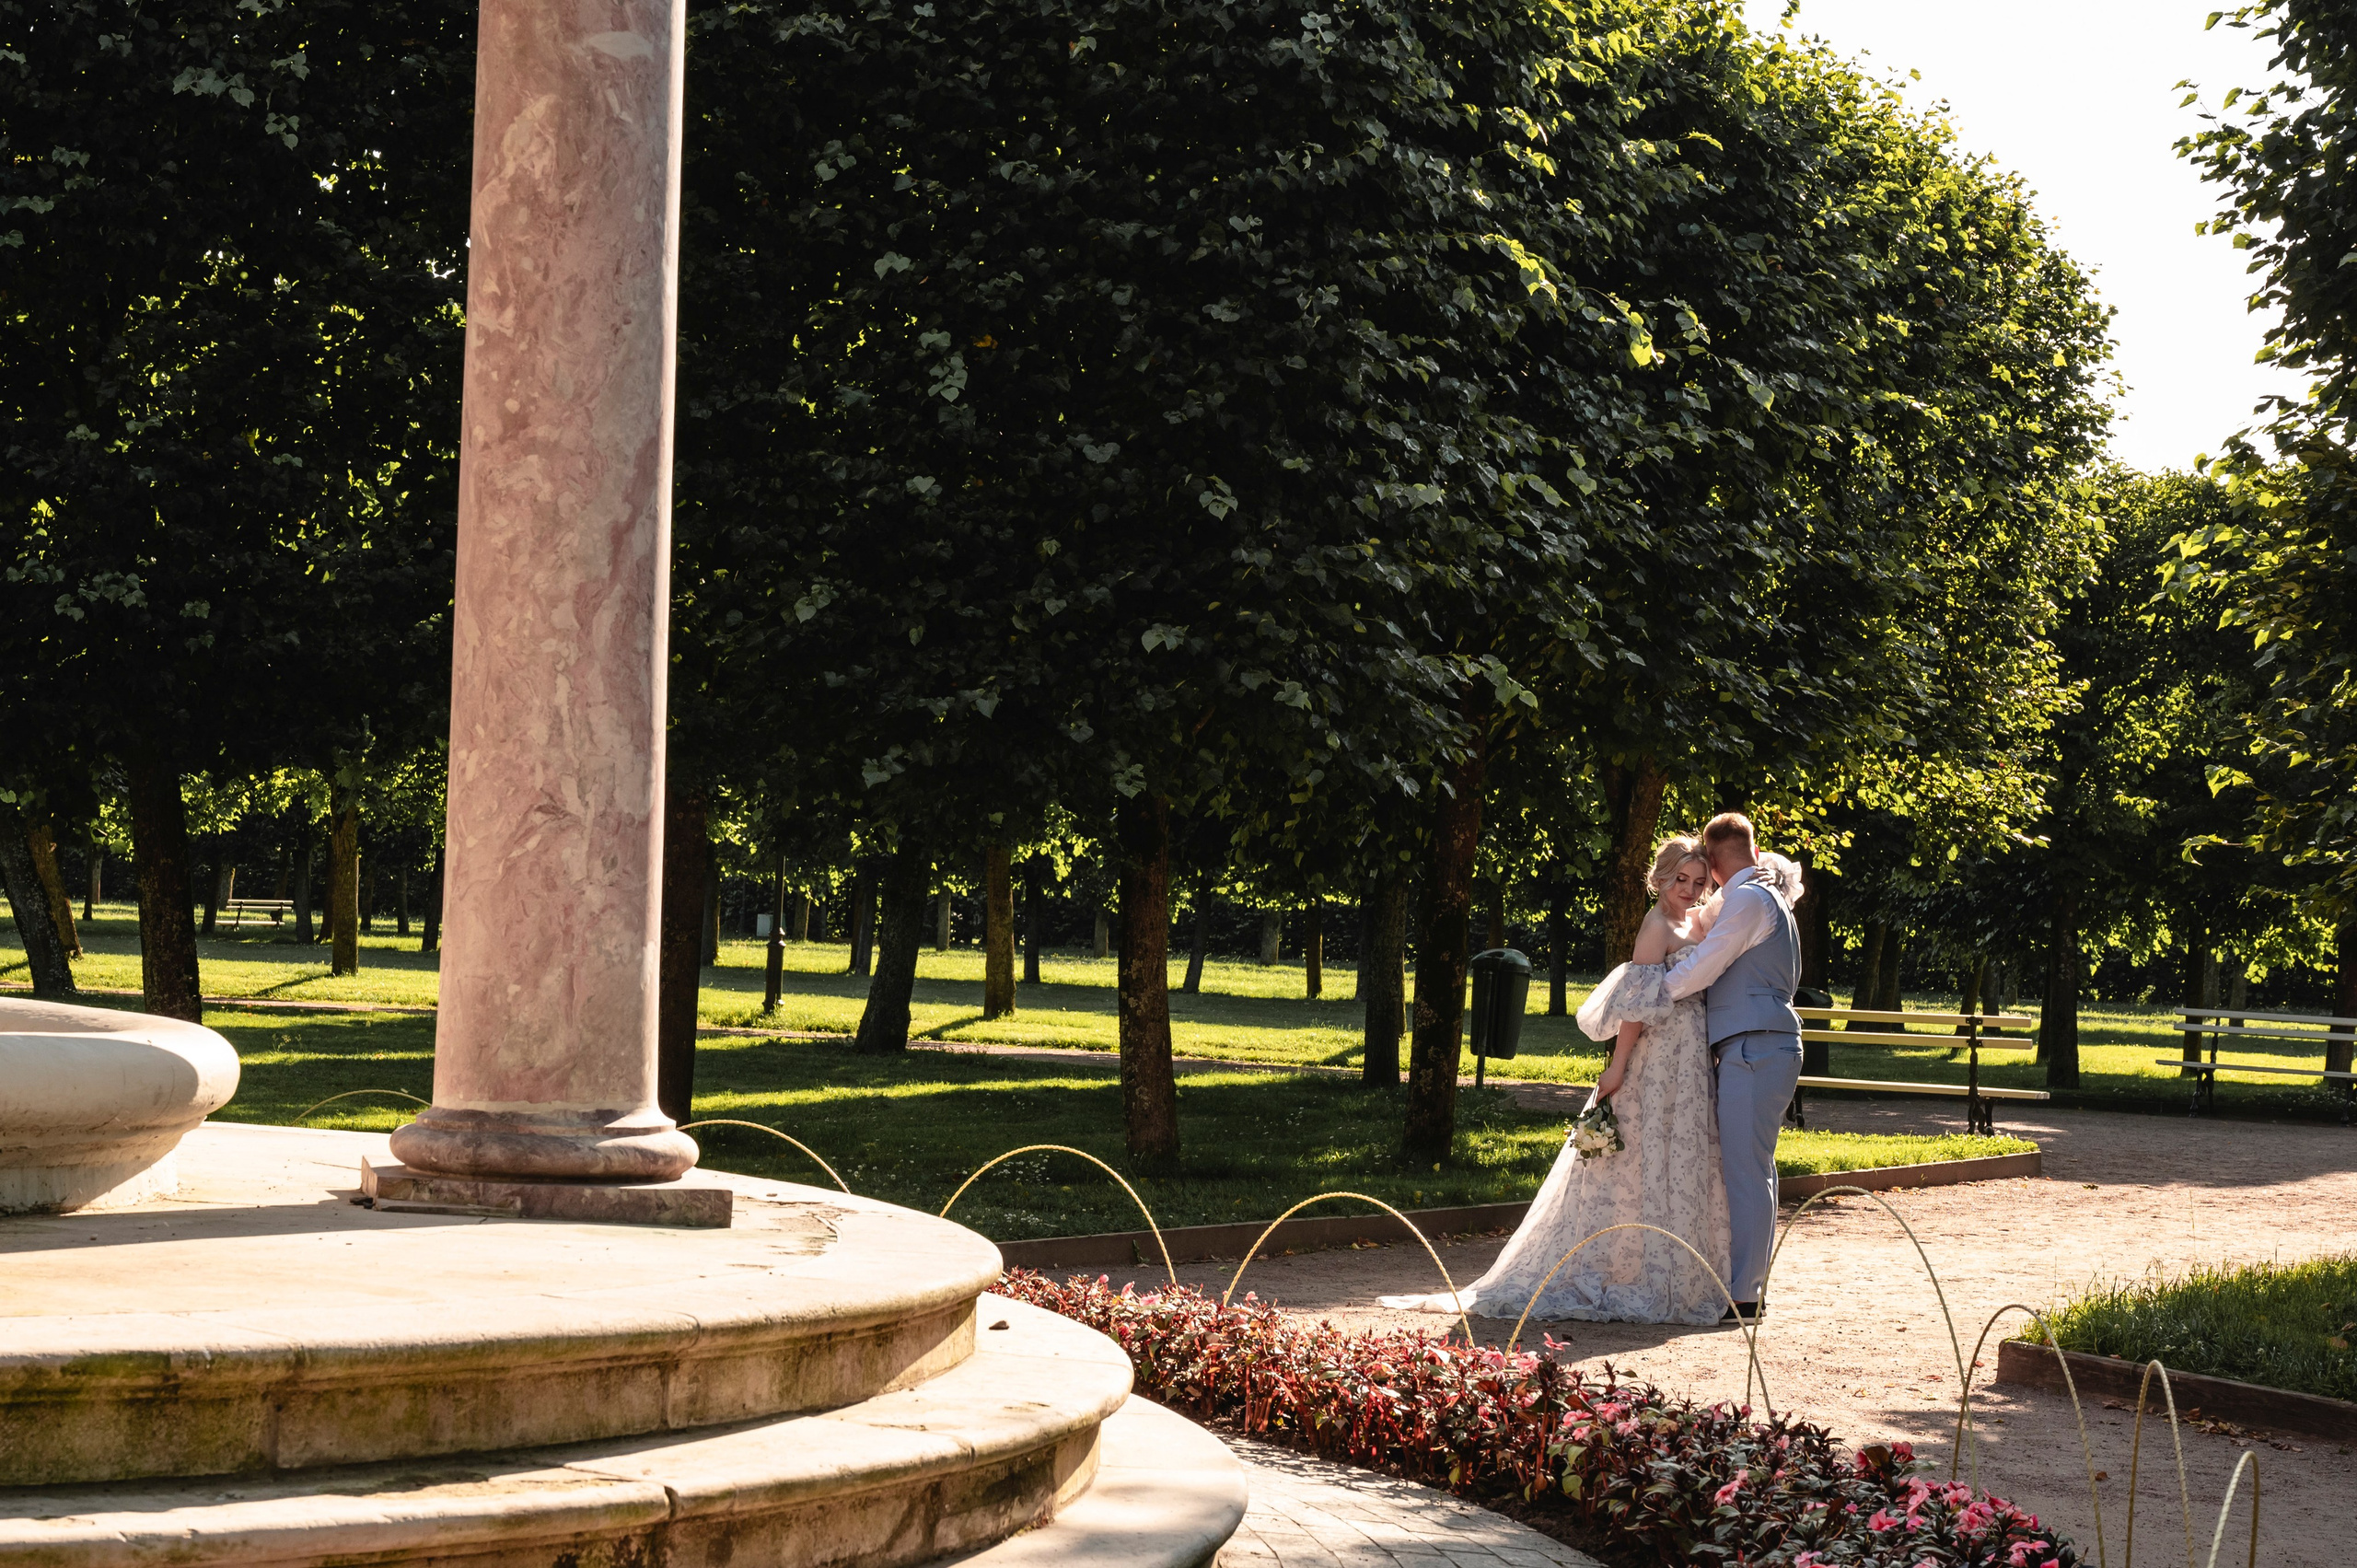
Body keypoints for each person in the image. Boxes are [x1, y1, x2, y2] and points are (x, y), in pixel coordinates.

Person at [1378, 836, 1730, 1326]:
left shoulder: (1699, 918)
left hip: (1691, 1057)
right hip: (1658, 1056)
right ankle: (1630, 1268)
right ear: (1661, 879)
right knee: (1641, 1155)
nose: (1690, 890)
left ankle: (1682, 1267)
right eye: (1680, 881)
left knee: (1681, 1151)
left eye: (1698, 881)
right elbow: (1634, 1011)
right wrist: (1617, 1067)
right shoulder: (1655, 928)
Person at [1661, 812, 1804, 1325]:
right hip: (1764, 1041)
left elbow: (1706, 965)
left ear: (1715, 862)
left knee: (1747, 1172)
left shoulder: (1747, 899)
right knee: (1755, 1170)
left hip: (1754, 1046)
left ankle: (1745, 1295)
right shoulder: (1768, 896)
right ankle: (1748, 1286)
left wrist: (1650, 990)